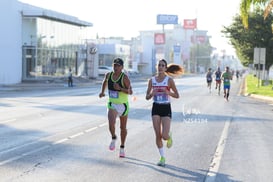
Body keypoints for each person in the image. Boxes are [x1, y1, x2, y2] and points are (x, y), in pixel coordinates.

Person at [145, 59, 183, 167]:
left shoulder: (169, 80)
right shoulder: (151, 81)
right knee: (157, 135)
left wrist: (168, 92)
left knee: (164, 136)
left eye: (162, 65)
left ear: (165, 68)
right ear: (157, 67)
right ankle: (162, 157)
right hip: (156, 107)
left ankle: (169, 136)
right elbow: (147, 97)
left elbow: (177, 95)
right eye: (159, 65)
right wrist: (152, 93)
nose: (160, 67)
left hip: (166, 107)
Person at [99, 58, 133, 158]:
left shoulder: (125, 78)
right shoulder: (108, 75)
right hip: (112, 103)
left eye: (118, 66)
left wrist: (120, 89)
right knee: (111, 123)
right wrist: (102, 92)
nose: (116, 67)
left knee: (123, 128)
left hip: (123, 105)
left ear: (122, 67)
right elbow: (104, 82)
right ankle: (114, 137)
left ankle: (122, 147)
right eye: (114, 65)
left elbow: (130, 92)